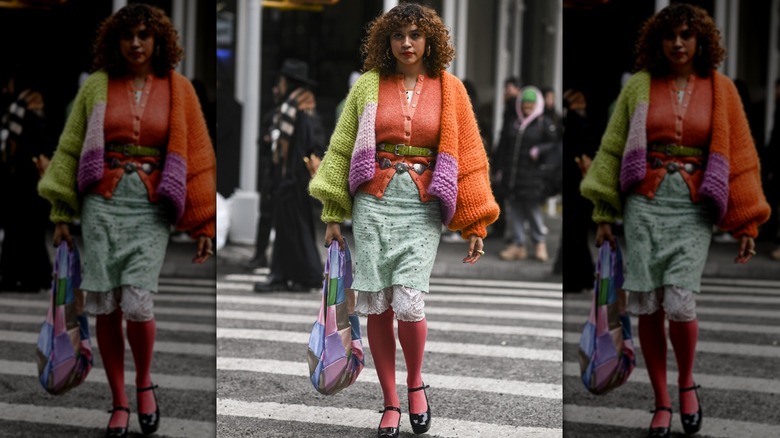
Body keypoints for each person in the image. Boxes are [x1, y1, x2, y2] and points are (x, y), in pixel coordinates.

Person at [308, 4, 498, 437]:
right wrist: (333, 213)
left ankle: (415, 385)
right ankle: (390, 402)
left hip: (422, 206)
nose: (407, 43)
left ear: (429, 39)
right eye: (398, 36)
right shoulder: (367, 86)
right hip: (373, 204)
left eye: (415, 34)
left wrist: (475, 223)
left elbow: (469, 158)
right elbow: (340, 150)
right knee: (377, 302)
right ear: (386, 41)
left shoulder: (451, 89)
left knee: (409, 301)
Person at [580, 5, 769, 437]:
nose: (679, 43)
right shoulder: (640, 87)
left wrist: (747, 223)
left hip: (694, 208)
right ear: (657, 41)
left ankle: (686, 384)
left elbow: (740, 159)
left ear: (701, 40)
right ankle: (661, 401)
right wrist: (604, 213)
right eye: (670, 36)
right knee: (647, 302)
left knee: (680, 302)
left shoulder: (722, 89)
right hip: (644, 204)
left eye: (687, 35)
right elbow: (611, 150)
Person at [37, 4, 216, 437]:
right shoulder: (97, 85)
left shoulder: (180, 88)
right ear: (115, 42)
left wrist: (203, 223)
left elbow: (197, 158)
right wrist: (62, 213)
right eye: (127, 35)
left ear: (159, 41)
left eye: (144, 35)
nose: (136, 43)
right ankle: (118, 401)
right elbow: (70, 147)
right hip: (101, 205)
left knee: (137, 302)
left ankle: (143, 384)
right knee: (104, 302)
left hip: (150, 208)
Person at [252, 58, 326, 292]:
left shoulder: (298, 110)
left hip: (292, 180)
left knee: (294, 228)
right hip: (290, 179)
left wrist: (288, 179)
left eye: (282, 81)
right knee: (289, 228)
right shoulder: (297, 107)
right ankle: (286, 275)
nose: (279, 85)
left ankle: (304, 275)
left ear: (289, 83)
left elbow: (301, 147)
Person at [0, 68, 54, 292]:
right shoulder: (27, 104)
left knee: (22, 229)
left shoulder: (22, 105)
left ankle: (24, 277)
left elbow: (18, 144)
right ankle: (29, 277)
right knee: (26, 229)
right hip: (26, 178)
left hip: (25, 177)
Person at [495, 85, 560, 262]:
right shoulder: (514, 123)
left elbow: (555, 145)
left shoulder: (543, 123)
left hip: (533, 177)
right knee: (515, 209)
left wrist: (540, 149)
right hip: (513, 176)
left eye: (531, 105)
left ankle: (539, 243)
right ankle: (518, 245)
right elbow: (504, 147)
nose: (527, 108)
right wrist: (500, 169)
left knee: (532, 210)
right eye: (524, 104)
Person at [556, 88, 599, 290]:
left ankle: (575, 278)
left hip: (573, 182)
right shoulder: (584, 122)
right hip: (581, 183)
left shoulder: (572, 123)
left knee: (573, 232)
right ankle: (584, 276)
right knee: (578, 233)